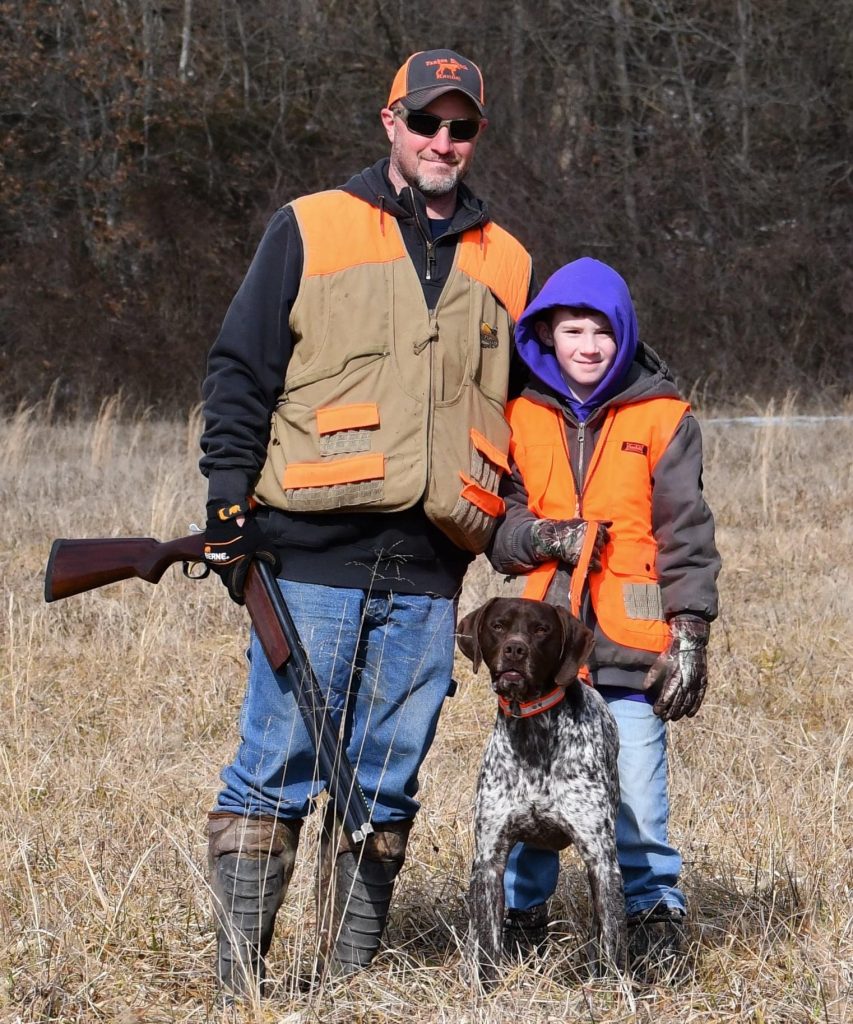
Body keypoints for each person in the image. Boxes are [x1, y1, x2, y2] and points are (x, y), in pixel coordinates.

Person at [198, 49, 533, 997]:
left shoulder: (505, 258)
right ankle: (240, 986)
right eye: (426, 120)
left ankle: (347, 983)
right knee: (277, 766)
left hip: (432, 567)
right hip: (307, 553)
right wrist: (226, 500)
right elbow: (239, 369)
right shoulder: (308, 226)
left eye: (460, 126)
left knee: (385, 778)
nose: (442, 140)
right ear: (389, 121)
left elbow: (542, 393)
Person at [487, 257, 720, 978]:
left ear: (623, 336)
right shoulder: (519, 414)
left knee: (639, 802)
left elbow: (686, 533)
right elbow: (499, 529)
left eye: (601, 332)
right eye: (572, 330)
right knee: (528, 802)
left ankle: (653, 928)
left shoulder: (664, 415)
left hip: (629, 653)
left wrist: (688, 633)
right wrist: (543, 536)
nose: (586, 346)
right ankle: (523, 920)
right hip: (541, 656)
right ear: (547, 335)